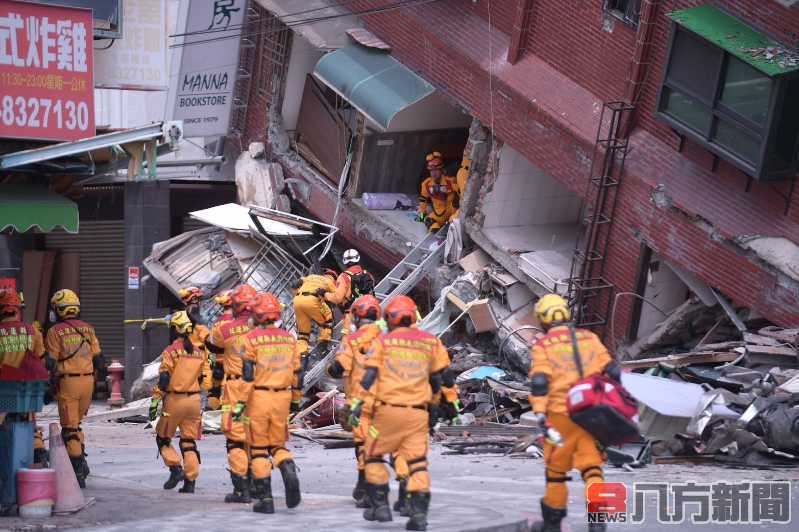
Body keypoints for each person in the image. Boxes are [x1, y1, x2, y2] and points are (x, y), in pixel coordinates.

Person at [349, 295, 460, 531]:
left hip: (386, 412)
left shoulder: (384, 342)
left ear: (390, 319)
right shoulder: (431, 342)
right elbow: (445, 377)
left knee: (373, 455)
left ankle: (380, 506)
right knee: (418, 463)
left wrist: (358, 403)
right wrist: (450, 406)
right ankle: (418, 514)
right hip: (418, 414)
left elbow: (369, 376)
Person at [527, 294, 620, 532]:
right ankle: (598, 523)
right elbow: (612, 370)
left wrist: (539, 413)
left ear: (543, 320)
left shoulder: (543, 345)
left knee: (556, 472)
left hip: (561, 416)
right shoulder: (589, 338)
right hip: (591, 413)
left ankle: (553, 523)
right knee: (592, 468)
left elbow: (539, 382)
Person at [238, 293, 302, 514]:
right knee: (278, 445)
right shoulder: (289, 339)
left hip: (259, 398)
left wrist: (239, 404)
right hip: (282, 398)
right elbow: (297, 374)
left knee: (257, 450)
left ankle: (266, 500)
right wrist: (295, 401)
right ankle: (287, 464)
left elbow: (247, 376)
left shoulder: (251, 339)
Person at [43, 289, 105, 488]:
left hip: (68, 382)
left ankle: (77, 471)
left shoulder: (54, 331)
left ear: (58, 310)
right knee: (76, 424)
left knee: (69, 429)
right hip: (88, 382)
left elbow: (50, 363)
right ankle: (82, 462)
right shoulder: (89, 329)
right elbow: (99, 360)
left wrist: (46, 383)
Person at [327, 295, 384, 508]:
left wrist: (331, 369)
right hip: (386, 400)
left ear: (357, 316)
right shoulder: (387, 337)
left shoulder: (352, 340)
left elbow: (339, 368)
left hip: (361, 401)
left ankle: (367, 488)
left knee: (363, 444)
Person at [149, 311, 211, 493]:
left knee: (162, 438)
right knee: (189, 442)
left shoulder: (170, 351)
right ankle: (190, 482)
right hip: (194, 401)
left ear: (174, 329)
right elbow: (203, 381)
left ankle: (175, 468)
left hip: (174, 401)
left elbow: (164, 380)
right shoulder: (199, 353)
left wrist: (155, 401)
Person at [206, 283, 257, 503]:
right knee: (255, 438)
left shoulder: (224, 328)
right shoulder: (265, 328)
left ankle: (241, 489)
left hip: (236, 388)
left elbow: (213, 347)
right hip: (260, 389)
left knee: (236, 439)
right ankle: (258, 485)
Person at [292, 270, 338, 359]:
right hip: (312, 300)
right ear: (333, 278)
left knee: (303, 333)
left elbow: (295, 284)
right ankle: (322, 348)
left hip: (297, 300)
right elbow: (337, 297)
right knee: (327, 322)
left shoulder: (311, 276)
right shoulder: (329, 282)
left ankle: (301, 354)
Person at [206, 290, 234, 410]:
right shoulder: (237, 322)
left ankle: (213, 414)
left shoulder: (217, 322)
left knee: (215, 391)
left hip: (218, 364)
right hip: (233, 364)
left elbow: (211, 345)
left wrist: (212, 361)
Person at [417, 152, 459, 232]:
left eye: (436, 170)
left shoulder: (450, 181)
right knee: (429, 221)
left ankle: (449, 227)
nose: (434, 173)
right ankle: (437, 232)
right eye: (431, 170)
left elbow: (462, 192)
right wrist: (421, 217)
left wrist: (449, 189)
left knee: (454, 221)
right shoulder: (426, 184)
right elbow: (423, 201)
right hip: (438, 215)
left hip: (452, 214)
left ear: (441, 169)